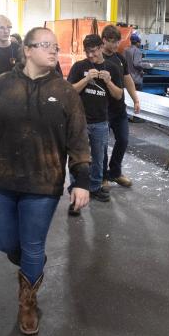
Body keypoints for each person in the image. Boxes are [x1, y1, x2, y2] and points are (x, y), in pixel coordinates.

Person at [0, 27, 91, 335]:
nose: (53, 51)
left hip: (43, 183)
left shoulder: (65, 92)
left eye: (55, 47)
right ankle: (31, 263)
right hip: (4, 178)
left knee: (32, 245)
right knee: (3, 240)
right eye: (46, 45)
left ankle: (27, 302)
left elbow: (78, 138)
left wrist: (81, 179)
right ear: (28, 50)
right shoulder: (1, 86)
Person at [66, 34, 123, 214]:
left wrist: (108, 81)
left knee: (99, 157)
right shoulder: (79, 67)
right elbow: (70, 91)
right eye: (87, 52)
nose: (90, 55)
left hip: (100, 121)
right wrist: (86, 80)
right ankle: (75, 188)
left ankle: (95, 187)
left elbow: (118, 95)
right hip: (79, 120)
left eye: (93, 51)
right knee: (77, 157)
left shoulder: (112, 68)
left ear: (100, 48)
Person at [100, 25, 140, 189]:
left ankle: (115, 172)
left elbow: (127, 79)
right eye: (113, 42)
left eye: (118, 42)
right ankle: (102, 176)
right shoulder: (97, 59)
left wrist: (135, 99)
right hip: (102, 111)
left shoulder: (120, 58)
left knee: (123, 140)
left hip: (119, 109)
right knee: (101, 144)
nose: (116, 46)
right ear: (104, 40)